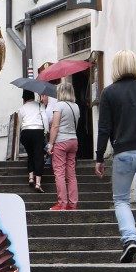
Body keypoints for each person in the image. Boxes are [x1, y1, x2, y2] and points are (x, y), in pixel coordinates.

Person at [94, 50, 136, 263]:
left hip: (124, 152)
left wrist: (99, 157)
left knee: (121, 199)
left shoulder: (109, 93)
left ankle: (130, 239)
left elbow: (104, 128)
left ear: (116, 67)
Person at [48, 79, 80, 211]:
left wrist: (50, 144)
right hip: (73, 140)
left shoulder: (59, 105)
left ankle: (62, 203)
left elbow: (55, 126)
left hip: (61, 141)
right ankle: (73, 204)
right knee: (71, 174)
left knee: (59, 172)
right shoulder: (76, 106)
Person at [18, 89, 49, 192]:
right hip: (38, 131)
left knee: (30, 154)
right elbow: (45, 118)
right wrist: (46, 131)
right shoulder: (40, 105)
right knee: (38, 155)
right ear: (33, 96)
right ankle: (38, 183)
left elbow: (21, 122)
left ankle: (31, 177)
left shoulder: (21, 108)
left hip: (26, 132)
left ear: (24, 98)